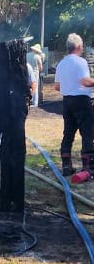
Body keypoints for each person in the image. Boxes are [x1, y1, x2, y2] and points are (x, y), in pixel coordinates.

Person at [54, 33, 94, 177]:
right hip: (81, 100)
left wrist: (69, 85)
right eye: (82, 46)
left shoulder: (61, 63)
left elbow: (57, 86)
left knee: (68, 133)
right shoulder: (80, 62)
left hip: (67, 102)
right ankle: (88, 168)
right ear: (78, 46)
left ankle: (66, 166)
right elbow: (85, 81)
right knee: (87, 133)